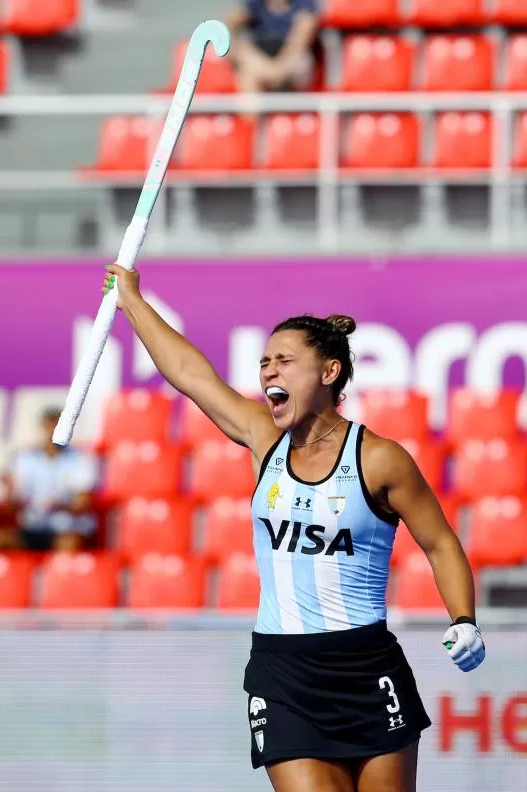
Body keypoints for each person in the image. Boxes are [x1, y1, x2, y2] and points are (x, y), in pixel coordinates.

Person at [101, 264, 485, 792]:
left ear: (328, 373)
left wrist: (464, 618)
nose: (268, 373)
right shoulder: (264, 439)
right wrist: (133, 302)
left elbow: (440, 543)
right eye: (264, 363)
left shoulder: (380, 460)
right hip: (282, 674)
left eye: (284, 360)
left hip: (366, 670)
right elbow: (191, 375)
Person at [0, 408, 99, 553]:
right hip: (32, 527)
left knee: (68, 545)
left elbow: (82, 504)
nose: (53, 429)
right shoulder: (24, 459)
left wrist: (60, 505)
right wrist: (9, 493)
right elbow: (11, 506)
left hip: (66, 528)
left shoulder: (80, 459)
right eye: (50, 424)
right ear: (43, 426)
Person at [226, 0, 320, 94]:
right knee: (244, 67)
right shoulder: (254, 4)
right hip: (261, 59)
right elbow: (232, 22)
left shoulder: (304, 4)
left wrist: (280, 68)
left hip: (292, 59)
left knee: (249, 74)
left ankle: (270, 76)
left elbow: (303, 33)